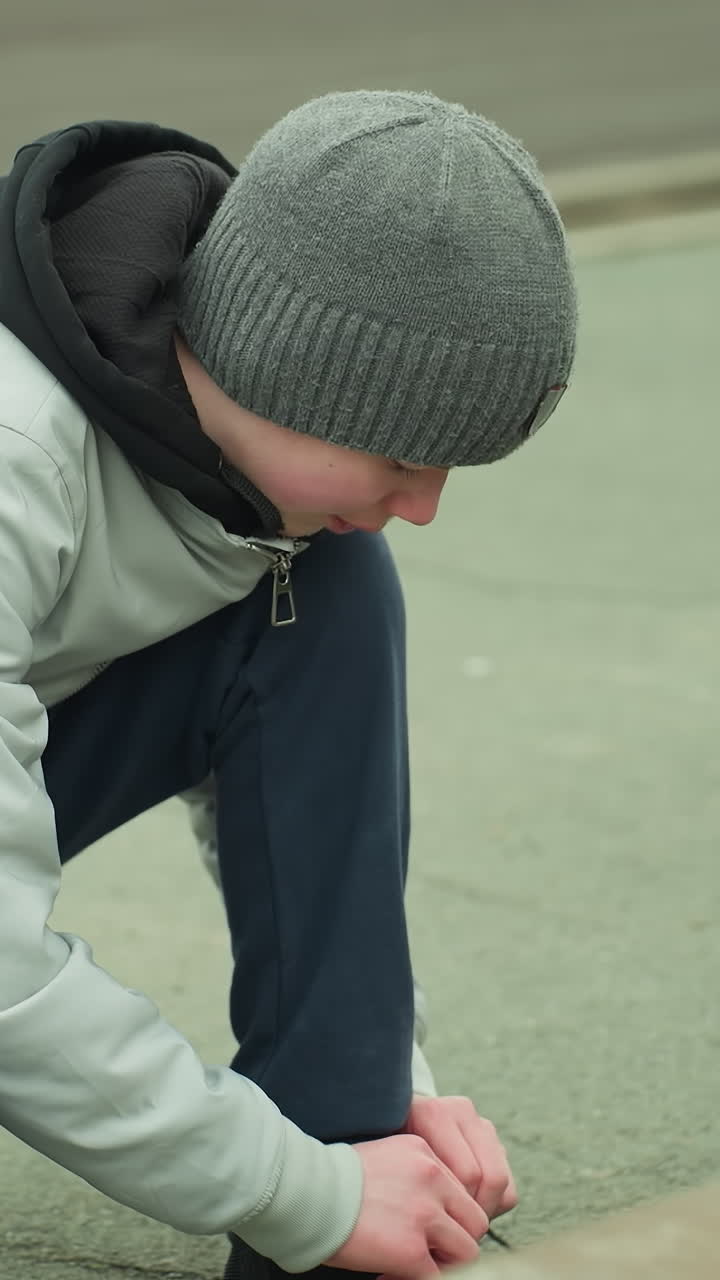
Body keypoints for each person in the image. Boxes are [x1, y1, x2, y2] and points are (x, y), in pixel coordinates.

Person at [0, 89, 576, 1279]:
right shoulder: (17, 449)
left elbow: (295, 795)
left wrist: (376, 1106)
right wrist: (295, 1187)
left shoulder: (249, 482)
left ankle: (353, 1159)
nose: (423, 504)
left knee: (328, 591)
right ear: (286, 368)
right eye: (403, 451)